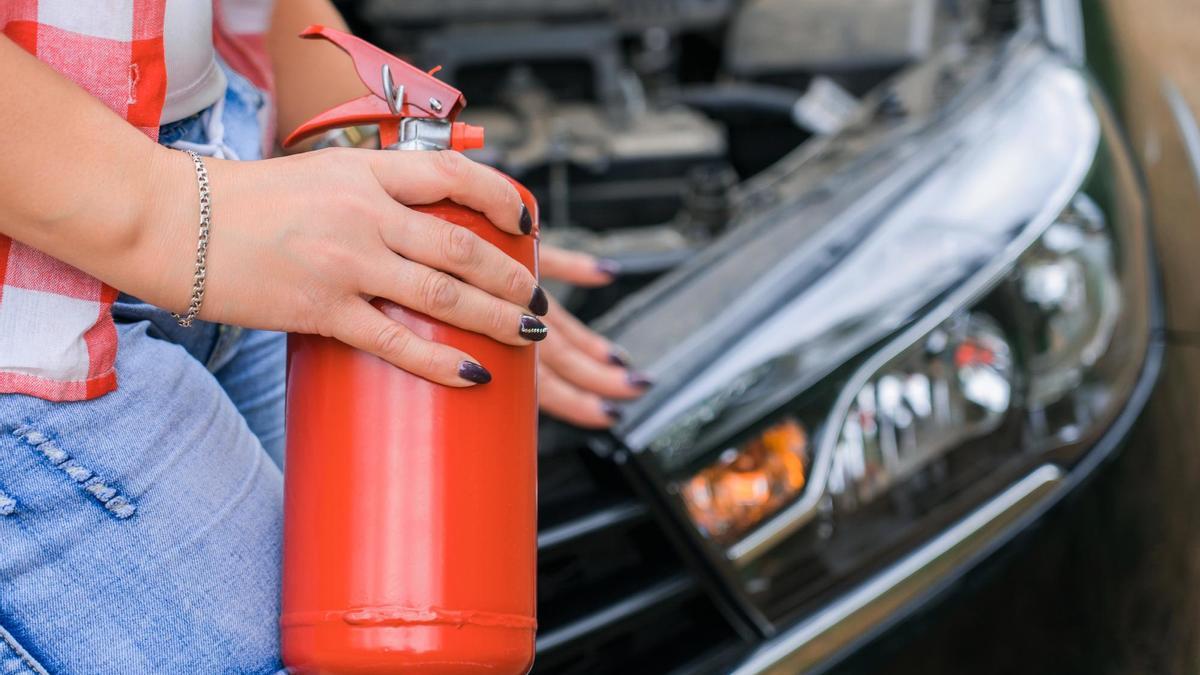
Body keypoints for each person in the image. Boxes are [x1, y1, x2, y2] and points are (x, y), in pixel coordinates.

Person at [0, 0, 648, 671]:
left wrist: (411, 210)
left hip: (225, 177)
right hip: (34, 307)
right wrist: (175, 213)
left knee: (419, 631)